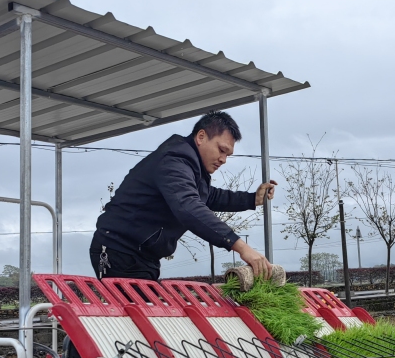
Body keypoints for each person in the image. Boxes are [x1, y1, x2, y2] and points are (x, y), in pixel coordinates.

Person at [89, 111, 275, 281]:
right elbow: (188, 206)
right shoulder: (173, 161)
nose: (223, 160)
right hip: (117, 249)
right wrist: (242, 247)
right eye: (221, 149)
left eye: (228, 154)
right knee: (136, 315)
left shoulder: (193, 169)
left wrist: (251, 199)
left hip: (144, 256)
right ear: (201, 136)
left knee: (147, 314)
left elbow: (208, 196)